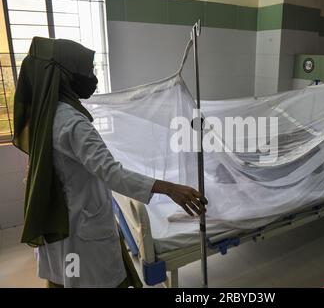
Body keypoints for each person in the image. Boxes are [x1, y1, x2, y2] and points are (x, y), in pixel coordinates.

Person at [13, 37, 206, 288]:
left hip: (62, 223)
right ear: (67, 74)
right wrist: (170, 188)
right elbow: (112, 172)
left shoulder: (46, 114)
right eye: (88, 70)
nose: (93, 77)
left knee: (68, 277)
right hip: (82, 231)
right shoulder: (72, 123)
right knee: (91, 279)